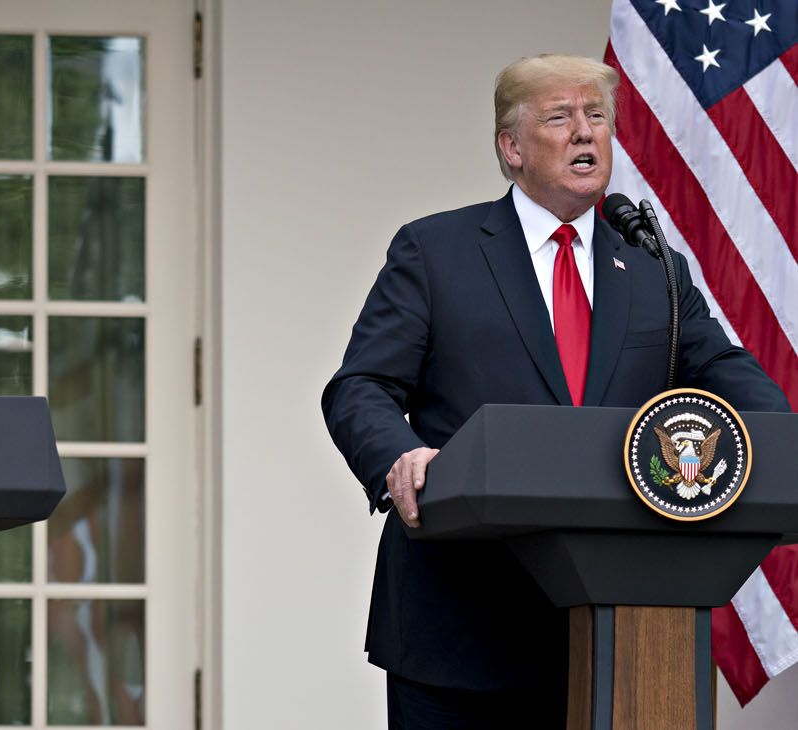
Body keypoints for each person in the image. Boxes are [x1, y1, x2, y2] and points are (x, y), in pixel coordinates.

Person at [321, 54, 788, 728]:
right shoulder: (436, 251)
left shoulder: (652, 266)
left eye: (596, 117)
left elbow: (724, 370)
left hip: (618, 637)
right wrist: (400, 457)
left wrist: (778, 441)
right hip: (458, 631)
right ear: (511, 148)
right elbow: (360, 385)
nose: (585, 133)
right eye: (560, 117)